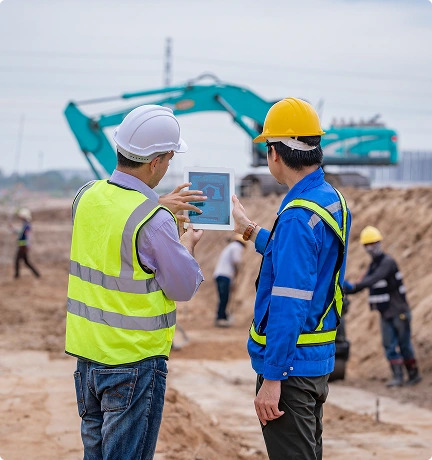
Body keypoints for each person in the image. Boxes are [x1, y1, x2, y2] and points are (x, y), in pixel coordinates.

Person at [65, 105, 206, 460]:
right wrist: (185, 246)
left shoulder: (85, 197)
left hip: (88, 360)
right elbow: (183, 286)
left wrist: (157, 202)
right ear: (156, 161)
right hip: (134, 364)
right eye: (169, 159)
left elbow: (115, 215)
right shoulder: (155, 221)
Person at [231, 97, 351, 460]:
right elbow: (304, 264)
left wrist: (272, 378)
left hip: (290, 370)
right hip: (313, 360)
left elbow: (289, 301)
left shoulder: (299, 216)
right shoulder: (328, 199)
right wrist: (252, 231)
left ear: (275, 154)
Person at [344, 225, 421, 387]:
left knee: (404, 344)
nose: (371, 247)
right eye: (368, 245)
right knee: (389, 345)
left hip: (399, 311)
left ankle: (414, 375)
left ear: (380, 243)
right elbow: (364, 281)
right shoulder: (374, 265)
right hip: (385, 312)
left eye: (374, 243)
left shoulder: (387, 262)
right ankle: (398, 377)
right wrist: (347, 288)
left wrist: (353, 287)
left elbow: (371, 280)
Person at [213, 233, 246, 327]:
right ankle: (221, 318)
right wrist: (240, 268)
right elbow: (236, 260)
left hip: (220, 274)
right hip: (224, 275)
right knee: (224, 298)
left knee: (224, 297)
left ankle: (223, 316)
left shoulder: (230, 247)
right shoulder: (236, 247)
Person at [10, 207, 40, 279]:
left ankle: (17, 275)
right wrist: (12, 228)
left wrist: (27, 245)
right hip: (22, 245)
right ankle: (37, 274)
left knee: (17, 260)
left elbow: (27, 236)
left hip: (23, 246)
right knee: (26, 262)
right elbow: (20, 232)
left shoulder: (27, 225)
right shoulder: (25, 224)